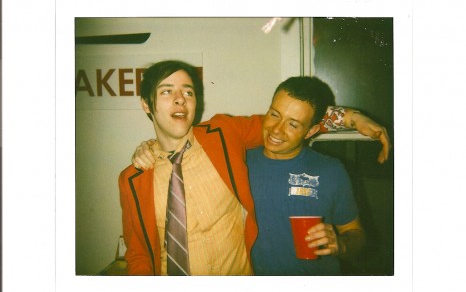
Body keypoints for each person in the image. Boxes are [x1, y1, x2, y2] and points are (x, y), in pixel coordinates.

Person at [122, 60, 389, 275]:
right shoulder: (134, 178)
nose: (180, 99)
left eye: (188, 92)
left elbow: (298, 121)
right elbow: (138, 254)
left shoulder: (224, 136)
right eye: (167, 91)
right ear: (146, 103)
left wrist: (352, 118)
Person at [247, 76, 364, 275]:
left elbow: (356, 234)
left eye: (293, 124)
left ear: (311, 131)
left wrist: (342, 244)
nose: (276, 130)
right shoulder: (239, 161)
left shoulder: (330, 170)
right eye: (274, 114)